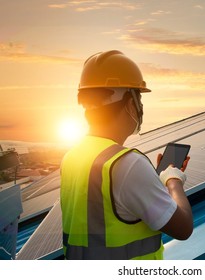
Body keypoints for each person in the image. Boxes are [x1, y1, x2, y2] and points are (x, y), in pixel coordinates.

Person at [60, 50, 193, 260]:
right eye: (138, 97)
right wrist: (173, 181)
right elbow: (183, 228)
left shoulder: (72, 157)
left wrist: (153, 183)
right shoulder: (127, 164)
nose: (140, 105)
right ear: (130, 103)